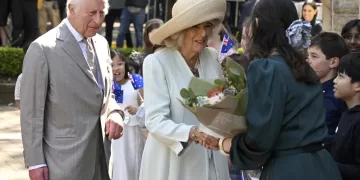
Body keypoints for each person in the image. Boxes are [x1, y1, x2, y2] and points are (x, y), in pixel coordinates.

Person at [218, 0, 342, 179]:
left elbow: (260, 137)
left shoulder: (266, 68)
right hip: (322, 165)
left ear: (257, 24)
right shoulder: (303, 66)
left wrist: (228, 144)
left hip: (289, 170)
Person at [20, 0, 125, 179]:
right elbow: (31, 113)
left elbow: (105, 93)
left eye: (102, 13)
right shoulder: (42, 49)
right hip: (62, 164)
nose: (98, 20)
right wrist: (35, 162)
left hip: (102, 159)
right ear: (71, 10)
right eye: (92, 13)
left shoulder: (102, 44)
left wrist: (114, 111)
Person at [139, 0, 230, 179]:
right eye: (195, 26)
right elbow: (155, 120)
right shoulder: (157, 62)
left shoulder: (212, 58)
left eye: (207, 26)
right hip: (174, 166)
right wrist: (191, 133)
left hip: (213, 164)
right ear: (181, 30)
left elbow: (221, 106)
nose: (203, 33)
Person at [307, 32, 348, 151]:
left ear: (333, 62)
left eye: (314, 56)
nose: (308, 61)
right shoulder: (306, 87)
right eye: (307, 56)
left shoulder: (339, 95)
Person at [110, 49, 145, 180]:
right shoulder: (110, 85)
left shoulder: (136, 80)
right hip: (118, 134)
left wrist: (139, 108)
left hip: (136, 131)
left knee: (137, 162)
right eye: (111, 65)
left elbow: (146, 103)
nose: (116, 68)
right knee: (120, 164)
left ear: (125, 64)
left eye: (119, 63)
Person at [332, 53, 360, 180]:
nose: (335, 80)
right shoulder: (347, 113)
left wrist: (328, 164)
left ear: (358, 85)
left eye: (341, 76)